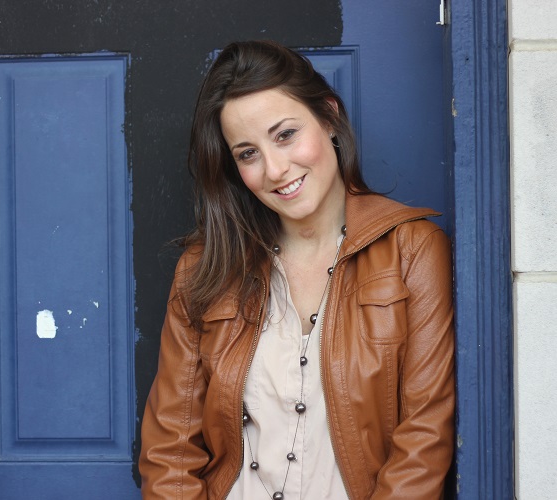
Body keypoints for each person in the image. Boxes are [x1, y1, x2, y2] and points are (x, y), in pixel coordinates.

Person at [139, 40, 455, 500]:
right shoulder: (204, 268)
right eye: (247, 154)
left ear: (328, 117)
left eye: (285, 134)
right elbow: (171, 449)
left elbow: (424, 439)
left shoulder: (412, 250)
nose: (275, 168)